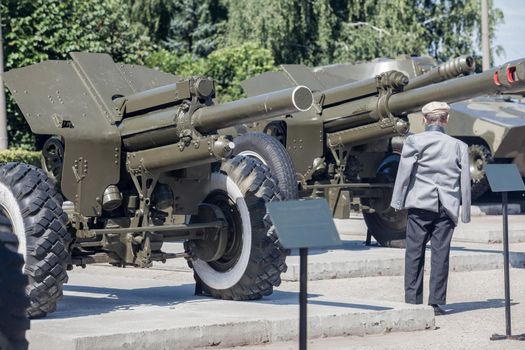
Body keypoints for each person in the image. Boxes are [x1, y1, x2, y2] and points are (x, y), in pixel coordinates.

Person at [390, 101, 471, 316]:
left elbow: (404, 173)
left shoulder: (414, 142)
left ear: (425, 120)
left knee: (414, 252)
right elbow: (465, 181)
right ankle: (435, 303)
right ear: (446, 120)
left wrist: (397, 202)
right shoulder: (459, 146)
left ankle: (413, 302)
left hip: (420, 204)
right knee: (440, 254)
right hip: (447, 207)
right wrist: (465, 212)